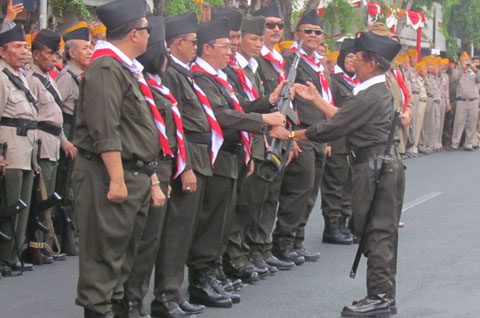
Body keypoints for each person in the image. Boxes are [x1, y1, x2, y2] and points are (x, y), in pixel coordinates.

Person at [270, 31, 404, 318]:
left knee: (376, 233)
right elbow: (345, 116)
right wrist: (318, 100)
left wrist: (291, 133)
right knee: (378, 231)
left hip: (375, 168)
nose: (353, 59)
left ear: (372, 62)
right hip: (379, 165)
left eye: (360, 56)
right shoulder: (375, 90)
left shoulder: (372, 94)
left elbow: (332, 128)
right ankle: (383, 296)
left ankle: (380, 297)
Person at [72, 0, 165, 316]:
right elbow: (106, 128)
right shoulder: (106, 67)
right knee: (104, 259)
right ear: (134, 33)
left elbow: (135, 131)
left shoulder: (123, 68)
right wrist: (116, 179)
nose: (149, 36)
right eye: (147, 29)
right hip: (107, 173)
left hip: (132, 173)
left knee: (123, 259)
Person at [188, 17, 285, 308]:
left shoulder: (219, 77)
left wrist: (267, 102)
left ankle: (212, 273)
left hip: (230, 158)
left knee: (222, 221)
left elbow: (238, 109)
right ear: (206, 49)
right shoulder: (199, 77)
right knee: (210, 223)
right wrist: (263, 120)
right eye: (224, 46)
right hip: (215, 158)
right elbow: (221, 116)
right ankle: (201, 279)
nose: (231, 51)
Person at [150, 11, 210, 317]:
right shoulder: (171, 73)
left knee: (184, 232)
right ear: (175, 43)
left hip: (195, 158)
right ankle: (165, 298)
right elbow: (176, 124)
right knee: (174, 234)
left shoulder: (182, 71)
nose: (196, 47)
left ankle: (173, 293)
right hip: (182, 161)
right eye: (192, 42)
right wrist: (185, 165)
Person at [272, 9, 327, 265]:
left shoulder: (318, 62)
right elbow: (286, 99)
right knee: (298, 189)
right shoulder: (291, 60)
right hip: (301, 131)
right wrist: (291, 135)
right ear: (296, 34)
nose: (314, 36)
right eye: (308, 31)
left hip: (318, 132)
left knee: (311, 191)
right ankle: (283, 241)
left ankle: (297, 239)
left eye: (318, 32)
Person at [251, 3, 296, 271]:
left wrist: (290, 137)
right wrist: (268, 133)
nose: (276, 30)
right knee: (256, 198)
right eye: (269, 25)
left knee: (271, 196)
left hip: (281, 134)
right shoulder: (256, 62)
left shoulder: (281, 60)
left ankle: (263, 247)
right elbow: (258, 102)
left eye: (279, 25)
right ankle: (252, 250)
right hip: (264, 135)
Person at [26, 28, 76, 263]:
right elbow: (31, 116)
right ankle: (37, 244)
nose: (54, 59)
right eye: (49, 54)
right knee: (42, 196)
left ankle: (47, 242)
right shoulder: (31, 79)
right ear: (36, 54)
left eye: (56, 54)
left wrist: (64, 141)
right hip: (40, 143)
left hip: (54, 142)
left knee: (51, 196)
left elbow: (56, 114)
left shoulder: (48, 79)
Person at [0, 24, 37, 274]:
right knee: (9, 205)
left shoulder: (21, 76)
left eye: (25, 46)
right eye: (16, 47)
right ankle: (4, 257)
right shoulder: (2, 77)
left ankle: (14, 254)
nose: (23, 51)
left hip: (26, 147)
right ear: (2, 52)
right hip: (9, 147)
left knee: (22, 206)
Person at [54, 22, 92, 255]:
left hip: (79, 136)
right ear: (71, 53)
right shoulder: (67, 77)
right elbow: (55, 113)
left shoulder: (83, 75)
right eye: (85, 47)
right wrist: (64, 140)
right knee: (68, 190)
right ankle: (66, 238)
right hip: (69, 136)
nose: (90, 51)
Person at [320, 38, 357, 245]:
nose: (352, 61)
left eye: (356, 57)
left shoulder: (359, 83)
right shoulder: (334, 81)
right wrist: (327, 141)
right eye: (349, 57)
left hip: (353, 142)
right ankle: (331, 225)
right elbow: (326, 112)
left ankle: (344, 220)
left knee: (349, 184)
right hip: (337, 140)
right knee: (334, 184)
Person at [451, 51, 480, 151]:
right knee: (459, 122)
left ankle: (469, 143)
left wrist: (476, 70)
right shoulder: (457, 71)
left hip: (473, 100)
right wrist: (462, 70)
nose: (465, 62)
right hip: (461, 100)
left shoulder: (474, 72)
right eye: (463, 60)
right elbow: (455, 79)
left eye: (466, 60)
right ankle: (455, 143)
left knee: (472, 122)